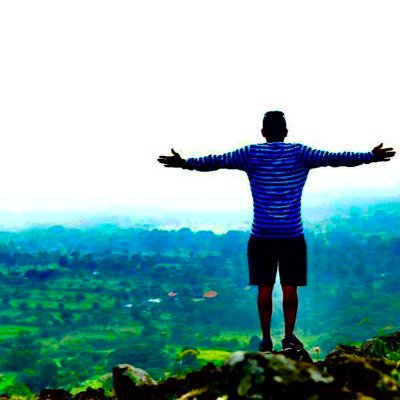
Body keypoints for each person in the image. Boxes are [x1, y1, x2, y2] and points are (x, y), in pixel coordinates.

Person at [157, 111, 396, 353]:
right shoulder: (300, 153)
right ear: (285, 132)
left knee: (264, 288)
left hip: (262, 235)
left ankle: (266, 340)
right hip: (291, 235)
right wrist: (370, 157)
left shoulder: (250, 154)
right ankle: (289, 336)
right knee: (290, 287)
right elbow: (336, 158)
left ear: (263, 133)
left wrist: (185, 163)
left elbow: (215, 161)